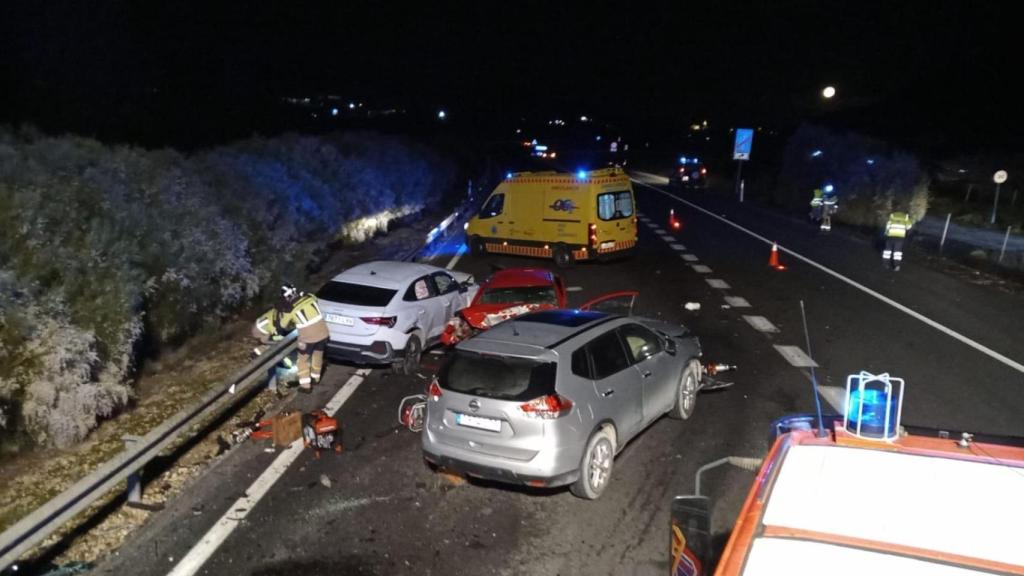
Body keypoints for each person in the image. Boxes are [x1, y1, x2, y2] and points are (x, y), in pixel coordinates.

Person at [279, 283, 330, 393]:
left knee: (302, 361)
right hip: (323, 333)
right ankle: (315, 378)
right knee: (318, 355)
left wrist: (284, 310)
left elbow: (283, 325)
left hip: (308, 338)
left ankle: (306, 386)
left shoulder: (289, 308)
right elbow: (314, 297)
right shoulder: (310, 298)